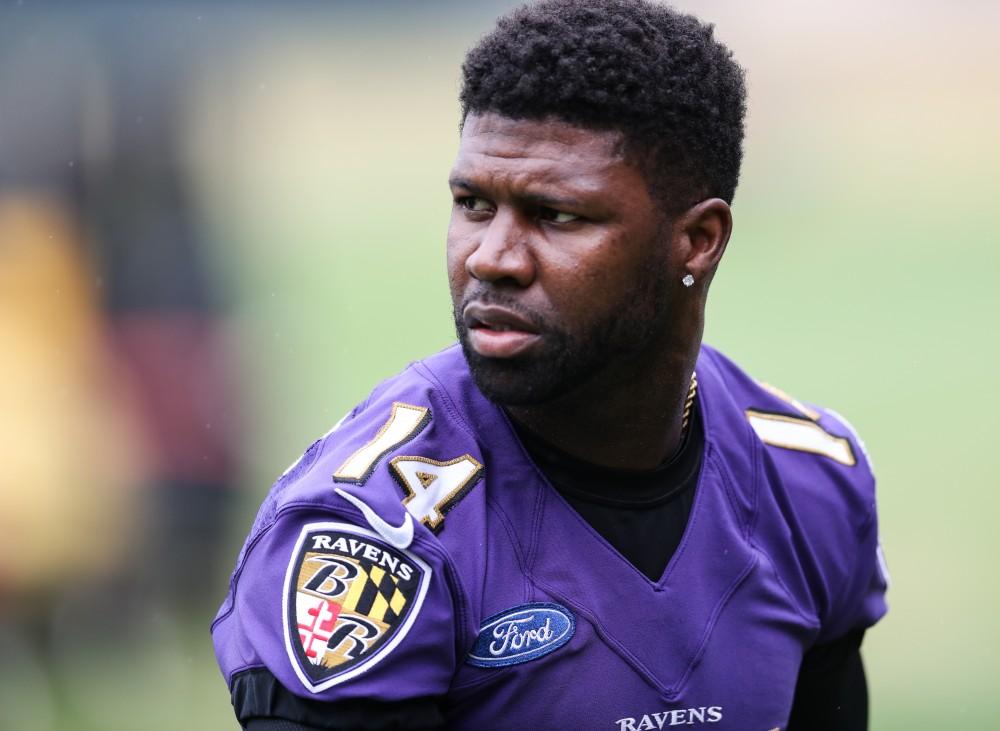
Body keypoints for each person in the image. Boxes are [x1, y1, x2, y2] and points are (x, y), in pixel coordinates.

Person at [212, 1, 888, 729]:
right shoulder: (370, 536)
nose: (490, 257)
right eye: (473, 204)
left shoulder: (809, 481)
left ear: (697, 240)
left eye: (556, 214)